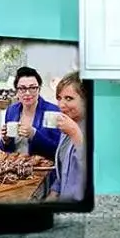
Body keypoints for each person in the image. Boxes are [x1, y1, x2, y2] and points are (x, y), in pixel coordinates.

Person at [0, 65, 62, 160]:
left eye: (32, 88)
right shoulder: (12, 110)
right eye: (22, 88)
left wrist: (34, 134)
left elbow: (57, 151)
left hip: (41, 171)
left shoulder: (53, 112)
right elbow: (6, 151)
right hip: (15, 169)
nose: (27, 93)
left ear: (39, 89)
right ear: (17, 91)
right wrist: (5, 140)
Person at [43, 71, 86, 201]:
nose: (61, 105)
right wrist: (54, 192)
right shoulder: (68, 127)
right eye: (59, 98)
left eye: (69, 98)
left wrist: (75, 133)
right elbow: (64, 171)